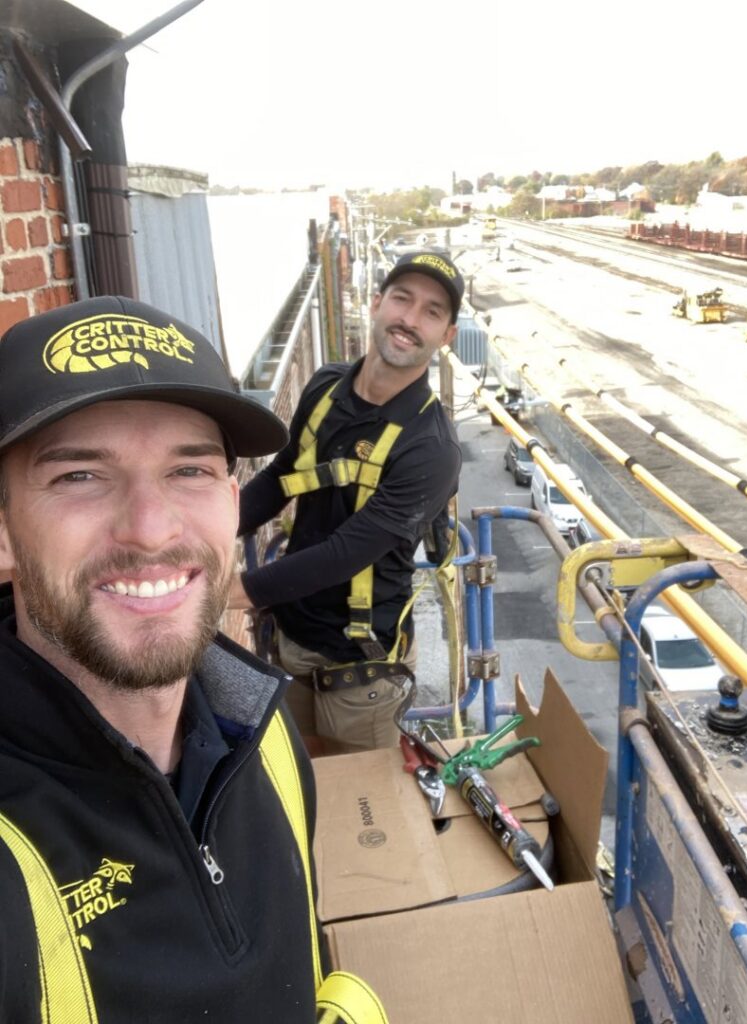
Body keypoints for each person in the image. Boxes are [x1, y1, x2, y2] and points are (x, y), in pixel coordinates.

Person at [0, 297, 357, 1022]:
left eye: (188, 470)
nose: (151, 529)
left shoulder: (262, 732)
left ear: (233, 503)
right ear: (3, 532)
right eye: (79, 476)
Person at [231, 251, 464, 753]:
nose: (410, 319)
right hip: (291, 639)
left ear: (446, 335)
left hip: (361, 670)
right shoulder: (325, 387)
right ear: (377, 304)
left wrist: (228, 592)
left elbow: (346, 553)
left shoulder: (431, 447)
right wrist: (208, 529)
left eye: (431, 312)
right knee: (297, 776)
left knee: (361, 798)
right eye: (402, 299)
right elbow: (280, 478)